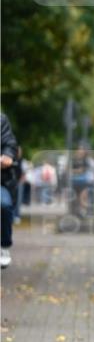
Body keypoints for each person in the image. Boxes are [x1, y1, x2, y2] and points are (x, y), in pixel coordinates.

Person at [1, 113, 19, 269]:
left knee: (4, 205)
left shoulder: (1, 120)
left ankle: (3, 246)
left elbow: (9, 142)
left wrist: (7, 155)